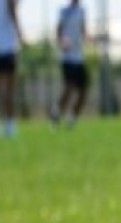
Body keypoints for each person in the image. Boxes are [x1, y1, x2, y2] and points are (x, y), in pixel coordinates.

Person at [0, 0, 24, 138]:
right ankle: (9, 125)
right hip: (7, 47)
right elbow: (12, 9)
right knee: (8, 90)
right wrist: (20, 34)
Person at [50, 0, 89, 130]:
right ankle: (56, 113)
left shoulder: (82, 11)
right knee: (69, 88)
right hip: (67, 57)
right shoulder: (64, 11)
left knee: (84, 90)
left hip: (79, 57)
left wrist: (89, 38)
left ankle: (72, 117)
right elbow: (58, 31)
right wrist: (62, 41)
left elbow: (83, 30)